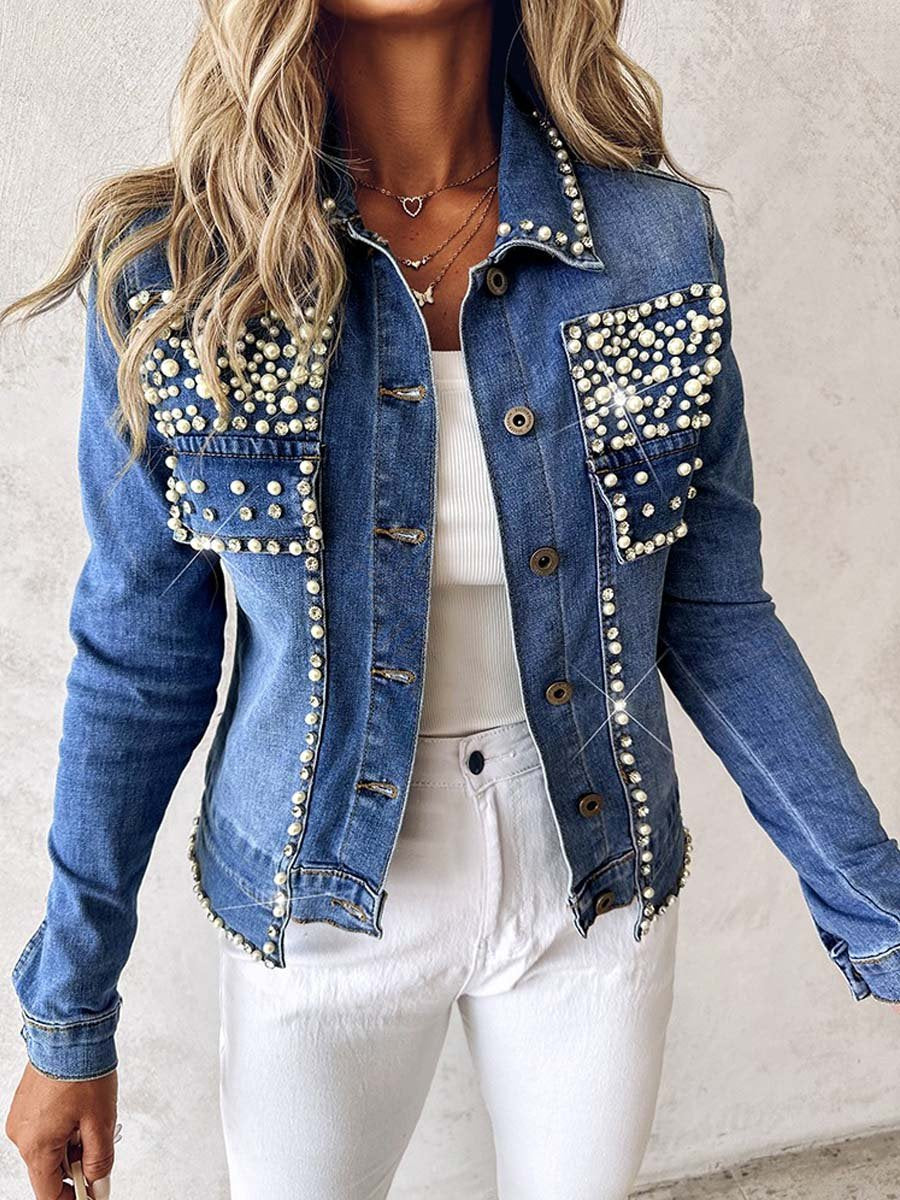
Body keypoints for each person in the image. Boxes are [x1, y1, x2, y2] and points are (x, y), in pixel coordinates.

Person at [4, 2, 899, 1198]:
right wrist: (69, 1018)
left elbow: (715, 614)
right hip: (315, 905)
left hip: (592, 885)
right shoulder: (184, 265)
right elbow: (138, 656)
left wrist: (878, 911)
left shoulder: (650, 243)